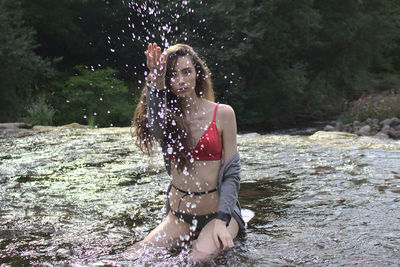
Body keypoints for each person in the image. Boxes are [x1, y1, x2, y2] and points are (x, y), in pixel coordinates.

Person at [131, 43, 245, 262]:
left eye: (186, 72)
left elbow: (232, 173)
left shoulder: (223, 114)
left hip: (218, 216)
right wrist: (156, 79)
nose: (181, 80)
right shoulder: (168, 120)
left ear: (197, 74)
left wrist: (222, 221)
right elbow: (154, 121)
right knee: (135, 256)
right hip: (179, 217)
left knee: (196, 260)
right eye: (172, 75)